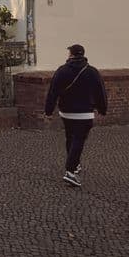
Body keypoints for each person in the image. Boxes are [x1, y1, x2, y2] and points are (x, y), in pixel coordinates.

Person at [44, 44, 108, 188]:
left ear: (71, 55)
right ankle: (70, 171)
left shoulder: (62, 71)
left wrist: (48, 111)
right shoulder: (92, 72)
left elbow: (52, 92)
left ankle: (74, 164)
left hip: (66, 112)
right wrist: (102, 109)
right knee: (79, 140)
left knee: (70, 138)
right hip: (85, 113)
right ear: (83, 54)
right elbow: (100, 92)